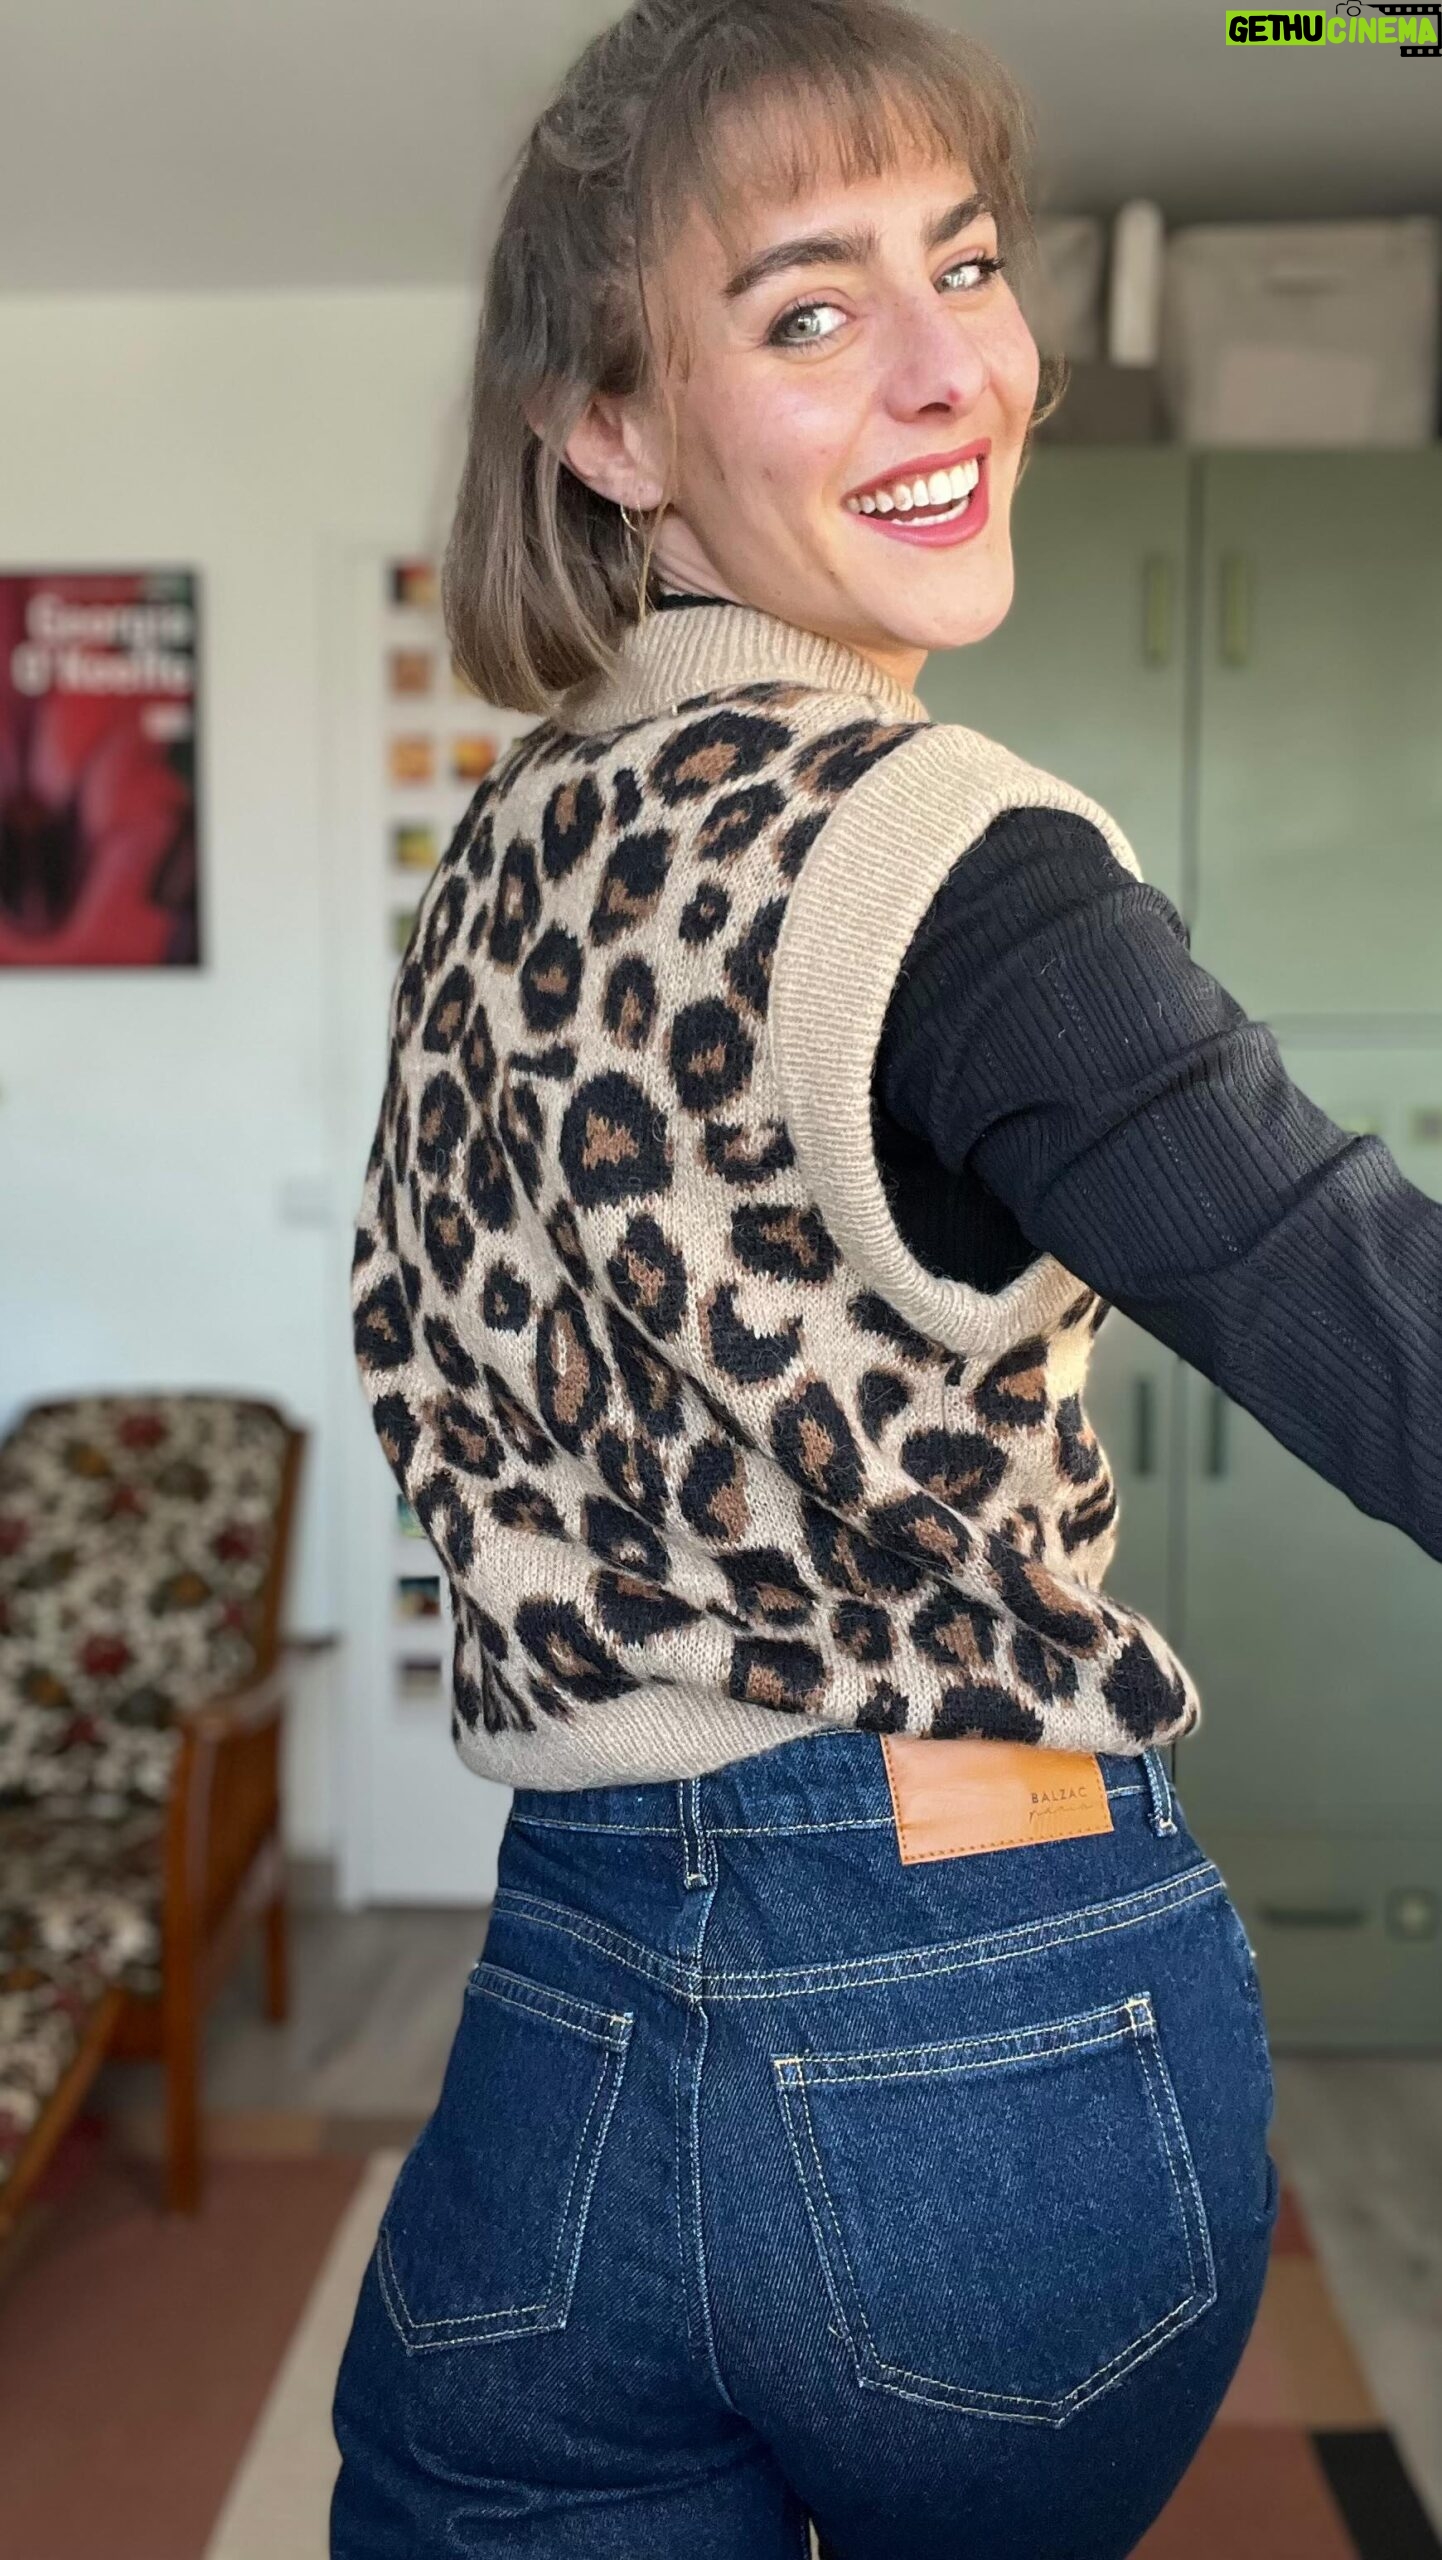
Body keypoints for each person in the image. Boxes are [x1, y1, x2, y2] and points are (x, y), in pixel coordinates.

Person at [330, 3, 1440, 2552]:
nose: (957, 369)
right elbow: (1368, 1315)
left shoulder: (504, 847)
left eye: (963, 263)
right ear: (612, 428)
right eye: (811, 309)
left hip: (563, 2002)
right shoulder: (944, 853)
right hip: (978, 1993)